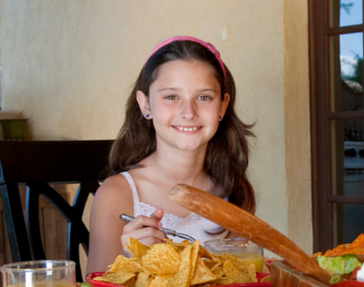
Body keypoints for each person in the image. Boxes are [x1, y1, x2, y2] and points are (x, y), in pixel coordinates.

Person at [87, 36, 255, 274]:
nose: (188, 112)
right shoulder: (116, 195)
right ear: (145, 104)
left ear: (222, 106)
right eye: (171, 97)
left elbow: (243, 284)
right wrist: (132, 260)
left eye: (204, 97)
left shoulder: (233, 191)